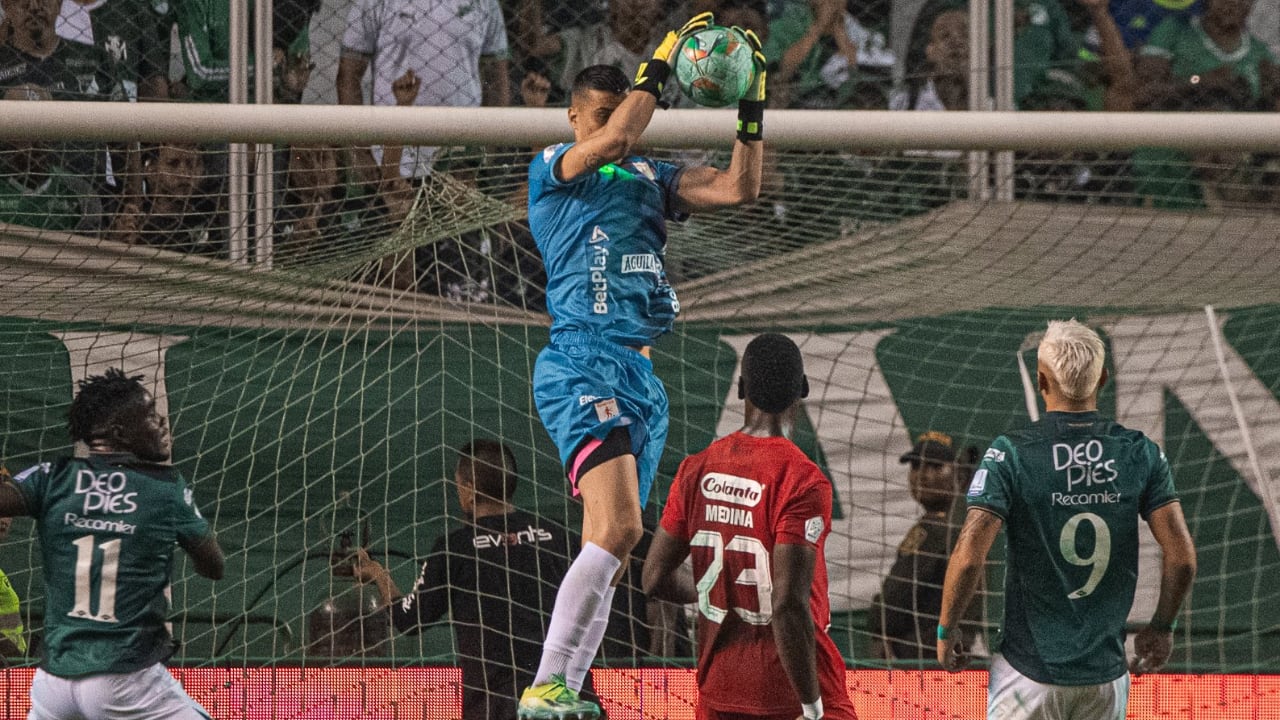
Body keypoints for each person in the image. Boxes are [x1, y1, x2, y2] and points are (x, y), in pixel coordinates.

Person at [519, 9, 765, 716]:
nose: (605, 130)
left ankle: (567, 688)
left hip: (640, 376)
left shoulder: (650, 177)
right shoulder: (554, 172)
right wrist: (660, 63)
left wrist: (751, 106)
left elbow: (740, 189)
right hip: (581, 361)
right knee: (622, 528)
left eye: (611, 116)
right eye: (593, 117)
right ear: (572, 118)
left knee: (615, 544)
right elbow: (623, 133)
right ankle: (544, 684)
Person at [937, 319, 1198, 719]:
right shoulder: (1140, 453)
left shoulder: (1011, 453)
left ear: (1042, 381)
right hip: (1104, 679)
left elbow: (970, 555)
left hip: (1028, 672)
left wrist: (947, 627)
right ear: (1104, 380)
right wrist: (1162, 627)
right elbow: (1182, 558)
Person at [642, 333, 857, 720]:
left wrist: (716, 585)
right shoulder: (802, 480)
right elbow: (789, 605)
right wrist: (812, 709)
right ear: (803, 389)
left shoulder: (696, 468)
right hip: (792, 690)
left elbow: (653, 578)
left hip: (719, 691)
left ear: (741, 389)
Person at [0, 367, 225, 719]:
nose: (163, 422)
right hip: (125, 677)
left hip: (54, 680)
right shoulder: (165, 488)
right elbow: (215, 567)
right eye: (150, 415)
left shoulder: (52, 477)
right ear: (119, 432)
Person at [352, 439, 604, 720]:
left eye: (458, 483)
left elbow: (408, 619)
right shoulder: (559, 537)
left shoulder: (455, 548)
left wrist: (378, 574)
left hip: (497, 706)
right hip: (569, 701)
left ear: (469, 489)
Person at [336, 0, 510, 181]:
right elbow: (348, 75)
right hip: (392, 160)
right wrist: (360, 153)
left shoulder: (486, 3)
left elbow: (497, 77)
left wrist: (488, 150)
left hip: (463, 160)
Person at [868, 431, 981, 663]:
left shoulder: (936, 531)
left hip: (923, 661)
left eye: (935, 466)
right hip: (954, 657)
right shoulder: (965, 527)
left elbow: (895, 596)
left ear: (960, 475)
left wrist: (878, 626)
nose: (922, 475)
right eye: (916, 466)